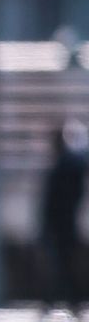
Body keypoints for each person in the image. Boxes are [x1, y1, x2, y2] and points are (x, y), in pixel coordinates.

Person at [39, 118, 88, 308]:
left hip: (62, 228)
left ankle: (63, 306)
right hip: (64, 228)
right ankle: (64, 306)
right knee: (63, 271)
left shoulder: (65, 167)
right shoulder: (66, 167)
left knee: (64, 271)